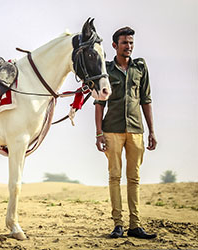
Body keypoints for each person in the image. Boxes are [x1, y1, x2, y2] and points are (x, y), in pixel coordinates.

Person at [94, 27, 157, 239]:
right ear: (115, 46)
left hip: (136, 130)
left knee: (134, 178)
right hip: (111, 129)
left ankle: (135, 225)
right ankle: (118, 225)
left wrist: (151, 131)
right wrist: (98, 133)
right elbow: (99, 103)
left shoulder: (140, 68)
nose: (128, 46)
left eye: (130, 43)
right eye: (124, 43)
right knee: (114, 177)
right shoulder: (107, 70)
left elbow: (146, 100)